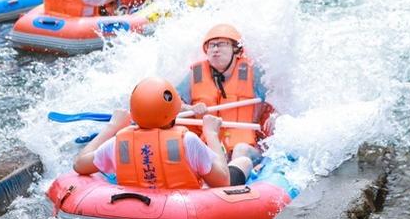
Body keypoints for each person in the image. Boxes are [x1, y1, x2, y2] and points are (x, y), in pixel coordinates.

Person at [73, 77, 253, 188]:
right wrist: (212, 134)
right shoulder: (188, 141)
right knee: (243, 161)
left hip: (137, 206)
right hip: (186, 208)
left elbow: (79, 165)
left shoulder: (118, 143)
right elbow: (222, 182)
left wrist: (112, 127)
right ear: (173, 111)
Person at [177, 24, 276, 163]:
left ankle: (233, 177)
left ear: (236, 49)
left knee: (240, 150)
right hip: (209, 145)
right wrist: (190, 108)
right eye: (212, 45)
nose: (215, 49)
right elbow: (170, 103)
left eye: (222, 44)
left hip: (247, 146)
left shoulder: (254, 72)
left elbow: (276, 99)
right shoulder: (195, 74)